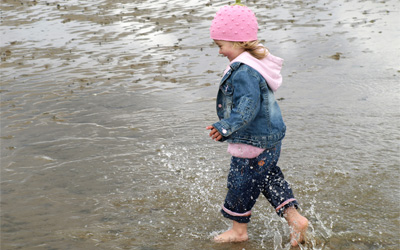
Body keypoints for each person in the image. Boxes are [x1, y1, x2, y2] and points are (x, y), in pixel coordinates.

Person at [206, 3, 309, 247]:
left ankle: (238, 231)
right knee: (268, 178)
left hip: (252, 140)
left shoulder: (244, 72)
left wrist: (225, 127)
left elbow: (247, 107)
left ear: (238, 42)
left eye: (221, 46)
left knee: (240, 181)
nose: (220, 52)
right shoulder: (256, 61)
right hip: (268, 138)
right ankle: (295, 219)